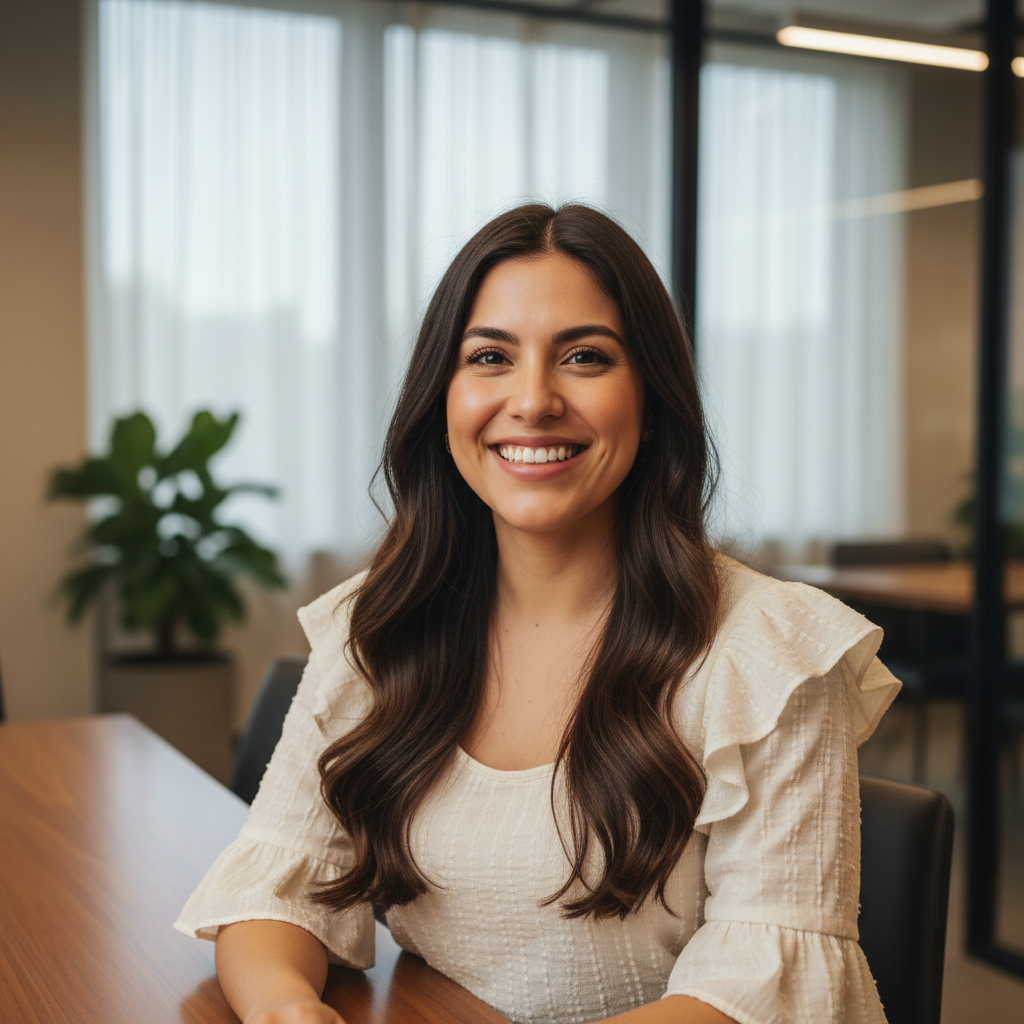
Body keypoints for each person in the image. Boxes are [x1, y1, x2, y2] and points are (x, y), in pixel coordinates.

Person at [175, 204, 900, 1024]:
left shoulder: (769, 652)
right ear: (442, 399)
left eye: (585, 357)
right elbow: (281, 876)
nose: (533, 400)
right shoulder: (381, 625)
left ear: (652, 400)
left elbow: (757, 991)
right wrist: (285, 1010)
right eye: (489, 357)